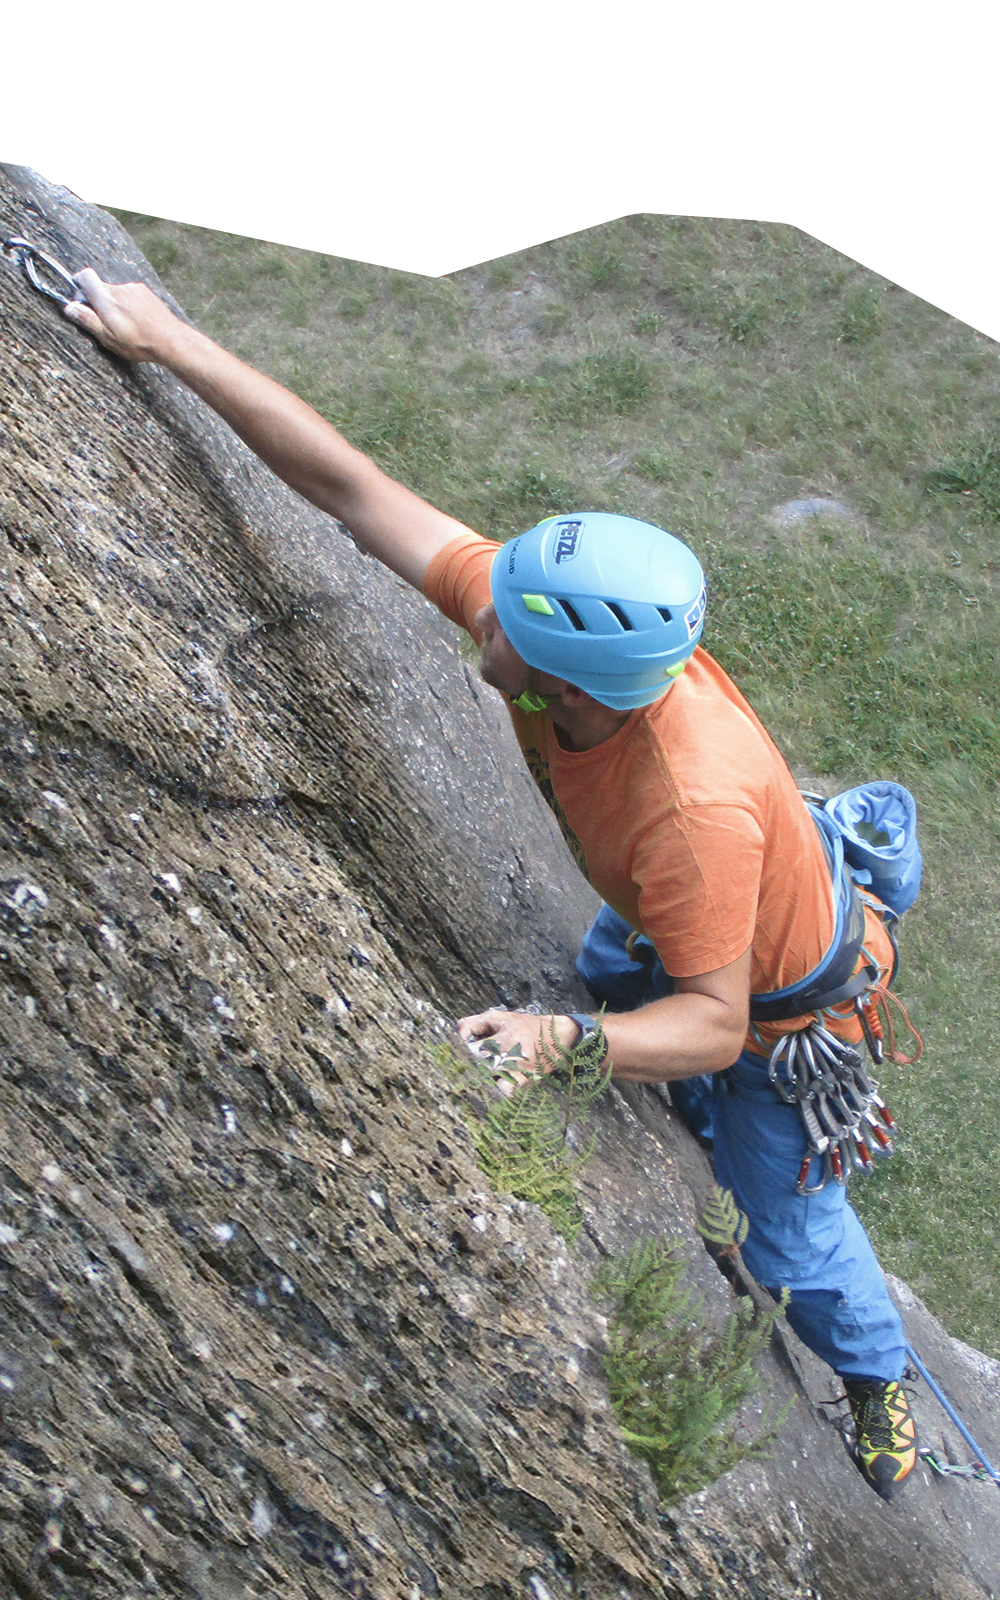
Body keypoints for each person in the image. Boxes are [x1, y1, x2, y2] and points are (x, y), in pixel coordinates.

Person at [63, 270, 917, 1500]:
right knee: (624, 968)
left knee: (786, 1225)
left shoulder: (688, 807)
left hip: (785, 1013)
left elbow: (719, 1020)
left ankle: (877, 1376)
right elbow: (356, 495)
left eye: (504, 607)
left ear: (563, 678)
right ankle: (639, 1026)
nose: (475, 589)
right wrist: (172, 343)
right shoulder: (572, 655)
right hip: (687, 917)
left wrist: (567, 1042)